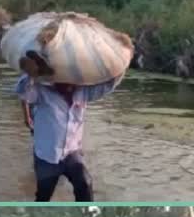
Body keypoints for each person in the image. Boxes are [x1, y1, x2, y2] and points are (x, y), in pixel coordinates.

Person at [15, 51, 123, 202]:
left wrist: (120, 66)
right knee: (43, 195)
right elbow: (22, 93)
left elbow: (106, 86)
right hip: (47, 155)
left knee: (85, 184)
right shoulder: (42, 91)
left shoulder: (82, 91)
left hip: (72, 153)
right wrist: (31, 74)